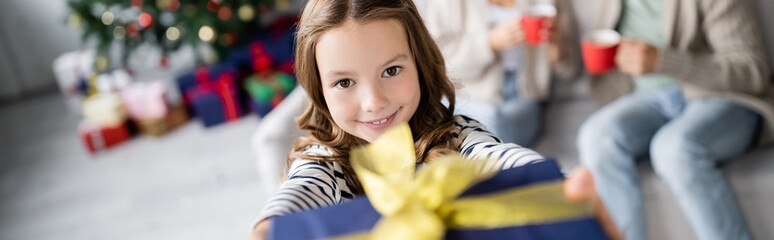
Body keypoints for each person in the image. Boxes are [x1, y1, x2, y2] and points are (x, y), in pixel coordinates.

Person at [247, 0, 614, 239]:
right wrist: (268, 227)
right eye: (344, 82)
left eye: (391, 70)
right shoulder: (325, 162)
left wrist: (556, 186)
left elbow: (495, 158)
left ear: (420, 66)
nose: (374, 102)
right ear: (319, 90)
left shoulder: (459, 135)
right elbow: (304, 189)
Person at [577, 0, 773, 239]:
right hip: (647, 99)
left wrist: (663, 60)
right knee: (596, 136)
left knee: (674, 148)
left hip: (721, 97)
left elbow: (752, 70)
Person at [417, 0, 580, 147]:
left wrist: (557, 47)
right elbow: (437, 65)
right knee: (492, 118)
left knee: (493, 126)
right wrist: (489, 42)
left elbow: (570, 70)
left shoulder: (550, 3)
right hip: (471, 97)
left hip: (525, 100)